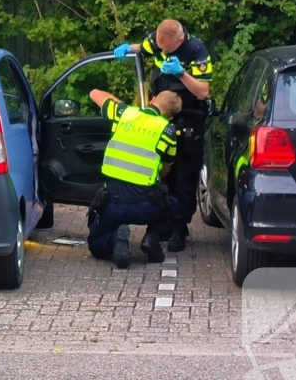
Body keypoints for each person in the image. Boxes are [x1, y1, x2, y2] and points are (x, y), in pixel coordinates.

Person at [113, 19, 213, 253]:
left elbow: (203, 90)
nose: (162, 51)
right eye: (160, 47)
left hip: (188, 121)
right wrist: (129, 48)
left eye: (166, 48)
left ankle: (180, 227)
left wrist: (181, 74)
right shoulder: (158, 41)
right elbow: (144, 47)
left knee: (185, 179)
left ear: (179, 39)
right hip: (161, 119)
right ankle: (162, 223)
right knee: (161, 175)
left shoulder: (196, 51)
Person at [86, 89, 183, 268]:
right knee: (173, 205)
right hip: (145, 206)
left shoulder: (125, 114)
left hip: (111, 203)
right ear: (171, 117)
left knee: (94, 243)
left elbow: (94, 93)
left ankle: (114, 240)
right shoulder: (168, 130)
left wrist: (119, 103)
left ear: (152, 99)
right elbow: (165, 172)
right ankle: (151, 239)